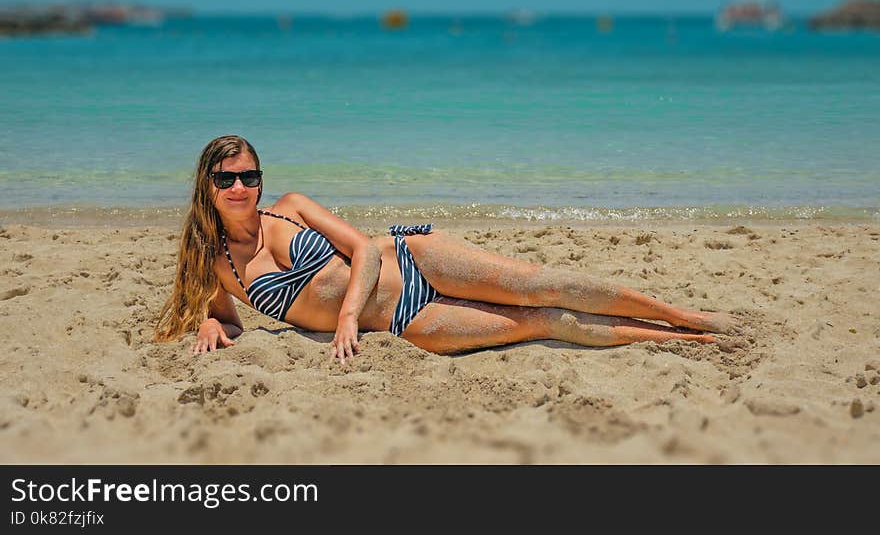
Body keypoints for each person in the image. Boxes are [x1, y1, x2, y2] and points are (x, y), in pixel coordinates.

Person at [155, 135, 736, 364]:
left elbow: (362, 249)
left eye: (249, 177)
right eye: (227, 179)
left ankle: (685, 315)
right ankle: (676, 341)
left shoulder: (294, 205)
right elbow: (222, 315)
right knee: (535, 322)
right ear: (206, 186)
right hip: (408, 321)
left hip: (412, 259)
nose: (240, 188)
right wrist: (210, 322)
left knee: (541, 282)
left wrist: (347, 317)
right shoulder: (216, 265)